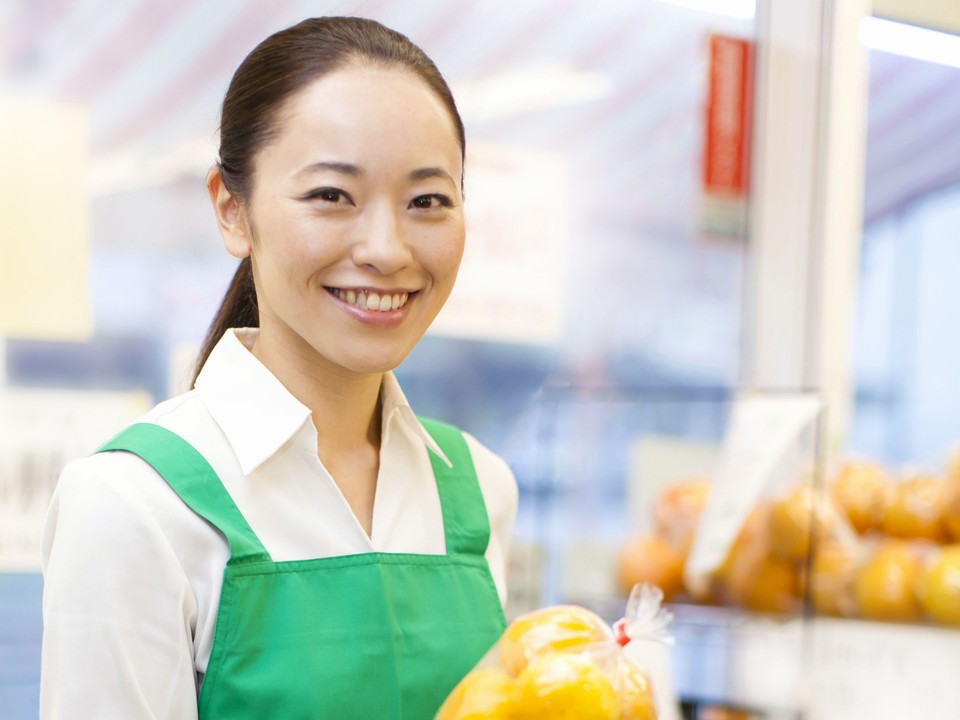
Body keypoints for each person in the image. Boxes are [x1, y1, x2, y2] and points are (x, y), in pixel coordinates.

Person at [39, 16, 518, 720]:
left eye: (427, 201)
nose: (386, 249)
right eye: (331, 195)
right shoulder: (132, 504)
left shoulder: (479, 489)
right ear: (233, 211)